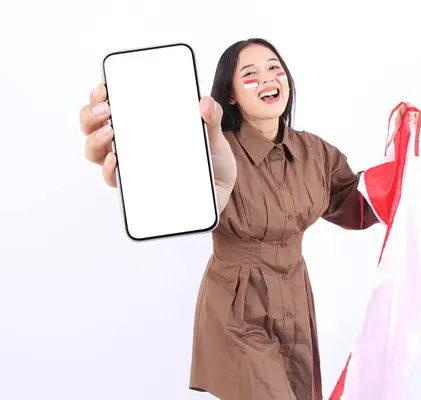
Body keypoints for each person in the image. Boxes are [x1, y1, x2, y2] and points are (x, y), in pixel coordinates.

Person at [79, 38, 382, 400]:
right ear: (232, 95)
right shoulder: (212, 149)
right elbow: (173, 189)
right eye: (251, 74)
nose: (268, 78)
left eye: (274, 68)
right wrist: (142, 170)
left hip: (296, 304)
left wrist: (405, 161)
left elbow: (357, 205)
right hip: (238, 307)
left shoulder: (315, 152)